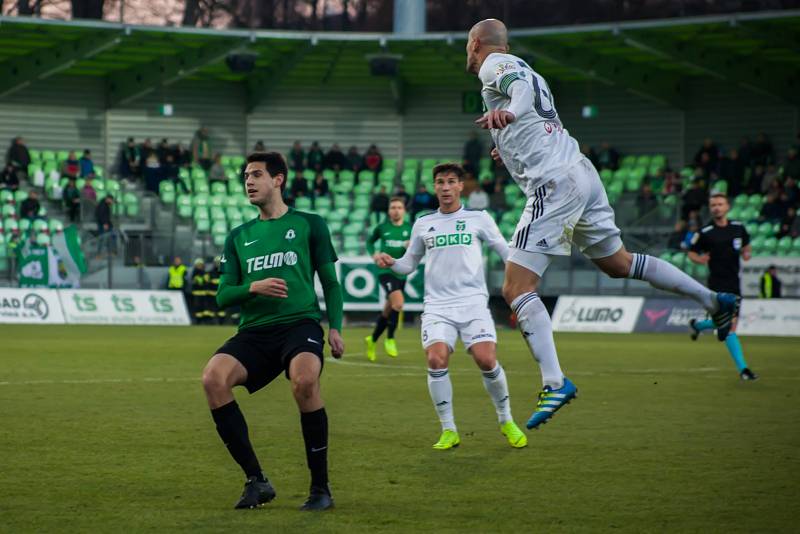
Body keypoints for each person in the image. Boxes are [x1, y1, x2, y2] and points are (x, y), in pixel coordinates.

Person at [466, 19, 743, 429]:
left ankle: (555, 382)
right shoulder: (527, 69)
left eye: (468, 47)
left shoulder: (495, 65)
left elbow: (520, 94)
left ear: (477, 45)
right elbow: (533, 114)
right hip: (580, 172)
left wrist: (508, 111)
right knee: (618, 263)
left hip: (554, 184)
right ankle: (712, 300)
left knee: (515, 287)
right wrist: (505, 143)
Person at [201, 151, 344, 511]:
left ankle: (320, 489)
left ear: (278, 180)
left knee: (305, 382)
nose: (248, 181)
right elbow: (222, 296)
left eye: (256, 174)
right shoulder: (239, 236)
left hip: (300, 324)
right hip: (255, 332)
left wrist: (336, 328)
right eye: (246, 176)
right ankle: (256, 480)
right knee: (212, 379)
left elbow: (330, 282)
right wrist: (253, 287)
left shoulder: (311, 224)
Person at [374, 163, 527, 450]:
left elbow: (506, 252)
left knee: (485, 360)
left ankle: (506, 419)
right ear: (435, 187)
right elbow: (409, 264)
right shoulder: (422, 223)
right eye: (440, 182)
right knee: (435, 360)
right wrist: (392, 263)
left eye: (451, 182)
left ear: (461, 186)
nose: (445, 187)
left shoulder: (478, 218)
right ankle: (448, 430)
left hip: (472, 304)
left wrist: (524, 277)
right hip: (437, 306)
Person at [687, 194, 757, 380]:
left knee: (725, 325)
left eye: (720, 204)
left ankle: (698, 325)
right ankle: (744, 370)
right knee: (730, 327)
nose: (716, 208)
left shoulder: (738, 228)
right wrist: (699, 259)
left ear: (727, 206)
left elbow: (746, 246)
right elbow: (691, 253)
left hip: (734, 283)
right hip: (716, 285)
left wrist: (746, 253)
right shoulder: (705, 232)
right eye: (713, 205)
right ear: (710, 209)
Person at [364, 197, 412, 361]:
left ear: (404, 210)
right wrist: (374, 254)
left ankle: (372, 339)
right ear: (389, 211)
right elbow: (370, 242)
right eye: (393, 207)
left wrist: (410, 246)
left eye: (399, 207)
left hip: (402, 273)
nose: (396, 210)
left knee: (388, 310)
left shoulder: (410, 229)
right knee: (398, 303)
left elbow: (417, 249)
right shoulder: (383, 227)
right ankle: (390, 338)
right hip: (385, 271)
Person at [191, 258, 211, 324]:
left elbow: (207, 282)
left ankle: (205, 320)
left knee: (205, 308)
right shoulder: (194, 273)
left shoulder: (205, 273)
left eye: (200, 265)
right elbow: (193, 282)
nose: (199, 266)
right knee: (197, 308)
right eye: (198, 265)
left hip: (204, 293)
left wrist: (202, 280)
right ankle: (198, 321)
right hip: (196, 293)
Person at [207, 256, 226, 324]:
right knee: (211, 310)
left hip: (221, 294)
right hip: (212, 294)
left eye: (219, 262)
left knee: (221, 310)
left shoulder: (225, 272)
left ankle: (221, 322)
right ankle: (211, 322)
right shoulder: (210, 272)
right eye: (216, 262)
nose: (217, 264)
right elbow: (207, 283)